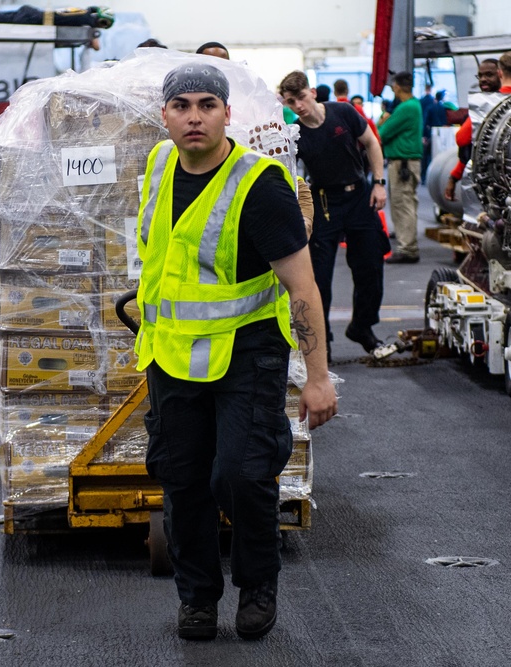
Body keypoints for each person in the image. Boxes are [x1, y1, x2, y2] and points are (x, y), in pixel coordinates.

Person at [136, 62, 337, 642]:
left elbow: (302, 287)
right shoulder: (157, 165)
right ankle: (198, 598)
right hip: (172, 353)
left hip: (247, 352)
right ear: (166, 114)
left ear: (228, 113)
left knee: (242, 476)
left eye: (206, 105)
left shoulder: (260, 184)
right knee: (182, 480)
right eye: (181, 106)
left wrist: (318, 377)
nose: (193, 116)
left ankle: (258, 583)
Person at [278, 70, 388, 357]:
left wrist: (378, 183)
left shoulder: (344, 112)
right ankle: (321, 343)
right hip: (323, 203)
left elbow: (373, 143)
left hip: (360, 197)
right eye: (291, 102)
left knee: (370, 267)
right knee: (318, 278)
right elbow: (288, 173)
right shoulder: (296, 135)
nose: (298, 106)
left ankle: (362, 327)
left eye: (301, 97)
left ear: (312, 92)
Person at [378, 71, 424, 263]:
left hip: (403, 163)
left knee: (403, 204)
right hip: (407, 163)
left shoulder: (406, 108)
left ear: (396, 87)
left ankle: (408, 248)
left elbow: (382, 132)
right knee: (406, 203)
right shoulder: (413, 105)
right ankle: (407, 242)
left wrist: (383, 119)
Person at [445, 58, 506, 201]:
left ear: (501, 75)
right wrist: (454, 177)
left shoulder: (493, 104)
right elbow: (469, 150)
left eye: (489, 75)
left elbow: (461, 137)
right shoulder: (483, 105)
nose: (483, 79)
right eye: (480, 75)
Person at [0, 1, 114, 28]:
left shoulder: (83, 11)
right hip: (32, 18)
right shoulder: (84, 18)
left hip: (33, 15)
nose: (101, 26)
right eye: (103, 23)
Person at [421, 90, 449, 180]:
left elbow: (425, 122)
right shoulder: (442, 108)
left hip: (430, 134)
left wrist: (424, 135)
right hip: (440, 135)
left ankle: (424, 177)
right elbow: (445, 123)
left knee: (426, 156)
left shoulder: (430, 107)